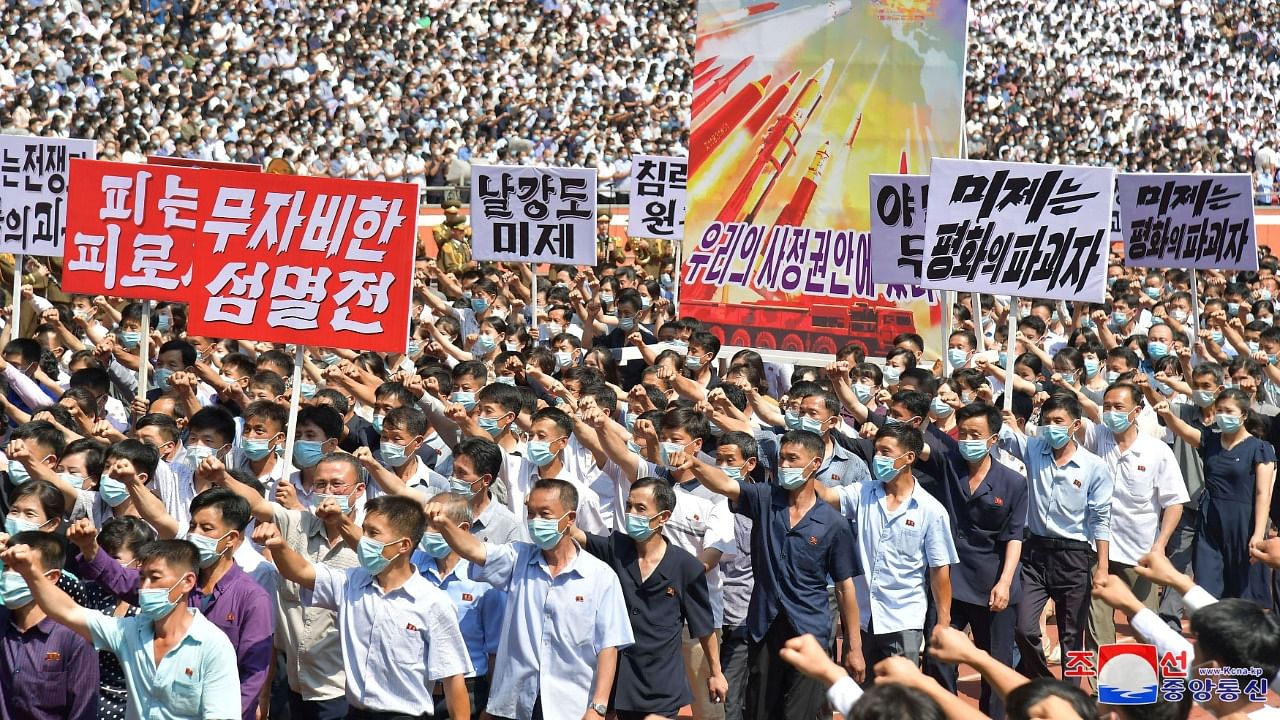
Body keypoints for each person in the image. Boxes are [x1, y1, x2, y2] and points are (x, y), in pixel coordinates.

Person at [672, 430, 859, 720]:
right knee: (760, 710)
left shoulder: (833, 523)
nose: (784, 465)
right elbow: (725, 484)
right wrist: (694, 463)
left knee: (800, 714)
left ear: (815, 464)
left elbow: (845, 588)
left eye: (792, 459)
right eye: (781, 458)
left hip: (810, 632)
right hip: (764, 628)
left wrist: (853, 647)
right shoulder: (764, 497)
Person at [427, 478, 634, 720]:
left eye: (545, 514)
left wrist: (598, 707)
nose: (536, 522)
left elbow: (609, 645)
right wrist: (444, 526)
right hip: (516, 702)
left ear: (570, 519)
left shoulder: (600, 576)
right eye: (531, 513)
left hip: (570, 704)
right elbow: (474, 550)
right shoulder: (517, 558)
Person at [265, 494, 474, 720]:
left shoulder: (433, 602)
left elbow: (453, 681)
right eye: (363, 530)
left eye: (373, 534)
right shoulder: (351, 583)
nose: (363, 540)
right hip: (355, 713)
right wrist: (278, 546)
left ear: (404, 545)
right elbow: (301, 572)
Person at [71, 488, 274, 720]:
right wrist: (90, 549)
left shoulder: (252, 599)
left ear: (232, 539)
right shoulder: (172, 584)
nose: (195, 534)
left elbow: (252, 676)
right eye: (193, 526)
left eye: (206, 529)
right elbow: (121, 579)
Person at [3, 538, 241, 719]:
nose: (145, 587)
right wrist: (30, 571)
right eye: (142, 578)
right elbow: (67, 611)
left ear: (188, 582)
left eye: (155, 578)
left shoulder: (212, 646)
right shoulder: (128, 632)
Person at [566, 477, 728, 719]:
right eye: (629, 506)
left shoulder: (686, 567)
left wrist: (716, 672)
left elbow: (704, 626)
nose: (632, 513)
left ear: (663, 517)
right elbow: (577, 535)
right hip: (619, 676)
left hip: (661, 679)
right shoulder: (616, 548)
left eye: (641, 508)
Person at [218, 452, 362, 720]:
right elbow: (259, 505)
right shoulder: (298, 523)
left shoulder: (367, 542)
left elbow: (374, 559)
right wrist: (221, 476)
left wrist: (341, 521)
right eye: (320, 485)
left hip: (341, 686)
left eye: (337, 484)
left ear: (359, 489)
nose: (328, 492)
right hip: (294, 682)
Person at [816, 423, 958, 668]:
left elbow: (939, 573)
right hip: (861, 617)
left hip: (903, 619)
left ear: (909, 457)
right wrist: (804, 469)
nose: (877, 458)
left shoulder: (931, 510)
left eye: (885, 452)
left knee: (899, 698)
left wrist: (943, 623)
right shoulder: (863, 492)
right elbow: (829, 497)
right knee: (861, 697)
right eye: (876, 451)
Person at [998, 392, 1112, 679]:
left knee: (1073, 638)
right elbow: (1002, 436)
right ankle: (1044, 683)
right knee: (1023, 628)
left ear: (1075, 425)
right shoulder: (1035, 449)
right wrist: (991, 405)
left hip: (1073, 557)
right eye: (1047, 421)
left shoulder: (1093, 466)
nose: (1052, 427)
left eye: (1058, 421)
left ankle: (1073, 698)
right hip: (1035, 554)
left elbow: (1100, 518)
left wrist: (1103, 568)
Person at [1080, 383, 1188, 666]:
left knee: (1144, 624)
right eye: (1107, 407)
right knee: (1097, 626)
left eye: (1119, 408)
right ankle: (1097, 694)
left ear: (1137, 411)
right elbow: (1072, 418)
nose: (1111, 413)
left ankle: (1153, 693)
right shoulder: (1096, 437)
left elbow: (1174, 502)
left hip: (1139, 554)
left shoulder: (1157, 451)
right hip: (1097, 549)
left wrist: (1160, 546)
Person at [1153, 388, 1276, 604]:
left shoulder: (1260, 448)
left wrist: (1258, 534)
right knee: (1208, 587)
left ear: (1244, 415)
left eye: (1229, 411)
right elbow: (1183, 430)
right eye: (1219, 410)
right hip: (1210, 521)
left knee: (1244, 593)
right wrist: (1168, 414)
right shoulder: (1210, 440)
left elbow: (1263, 494)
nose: (1223, 416)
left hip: (1243, 523)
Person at [415, 492, 507, 719]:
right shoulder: (412, 568)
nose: (428, 533)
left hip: (468, 690)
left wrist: (492, 707)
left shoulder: (482, 580)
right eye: (426, 525)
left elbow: (496, 650)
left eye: (437, 526)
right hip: (418, 689)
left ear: (463, 528)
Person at [0, 530, 99, 719]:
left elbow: (83, 710)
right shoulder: (3, 622)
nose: (9, 575)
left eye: (22, 567)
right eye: (7, 567)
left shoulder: (74, 637)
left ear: (52, 577)